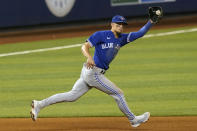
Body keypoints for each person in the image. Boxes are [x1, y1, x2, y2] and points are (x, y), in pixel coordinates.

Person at [31, 9, 162, 127]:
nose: (120, 27)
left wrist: (151, 21)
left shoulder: (122, 39)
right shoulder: (101, 35)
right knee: (118, 93)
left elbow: (140, 33)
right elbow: (84, 46)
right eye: (118, 24)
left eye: (122, 25)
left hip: (91, 73)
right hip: (93, 73)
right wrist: (89, 57)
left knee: (72, 96)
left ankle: (39, 104)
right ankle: (133, 120)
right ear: (112, 24)